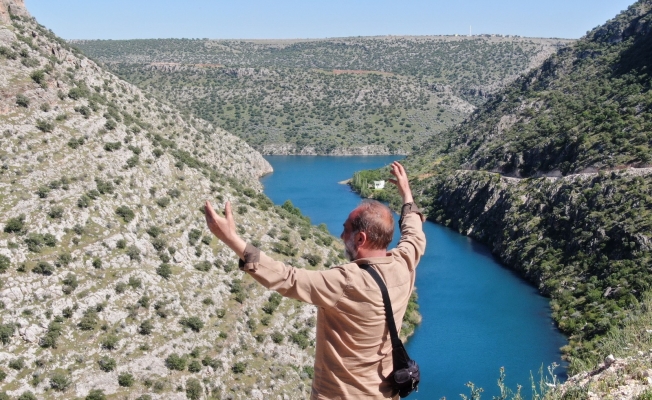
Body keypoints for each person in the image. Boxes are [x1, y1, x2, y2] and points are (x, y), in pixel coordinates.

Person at [204, 161, 426, 400]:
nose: (341, 235)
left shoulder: (346, 282)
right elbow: (414, 233)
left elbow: (286, 277)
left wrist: (232, 239)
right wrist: (406, 194)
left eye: (346, 229)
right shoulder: (404, 263)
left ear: (361, 238)